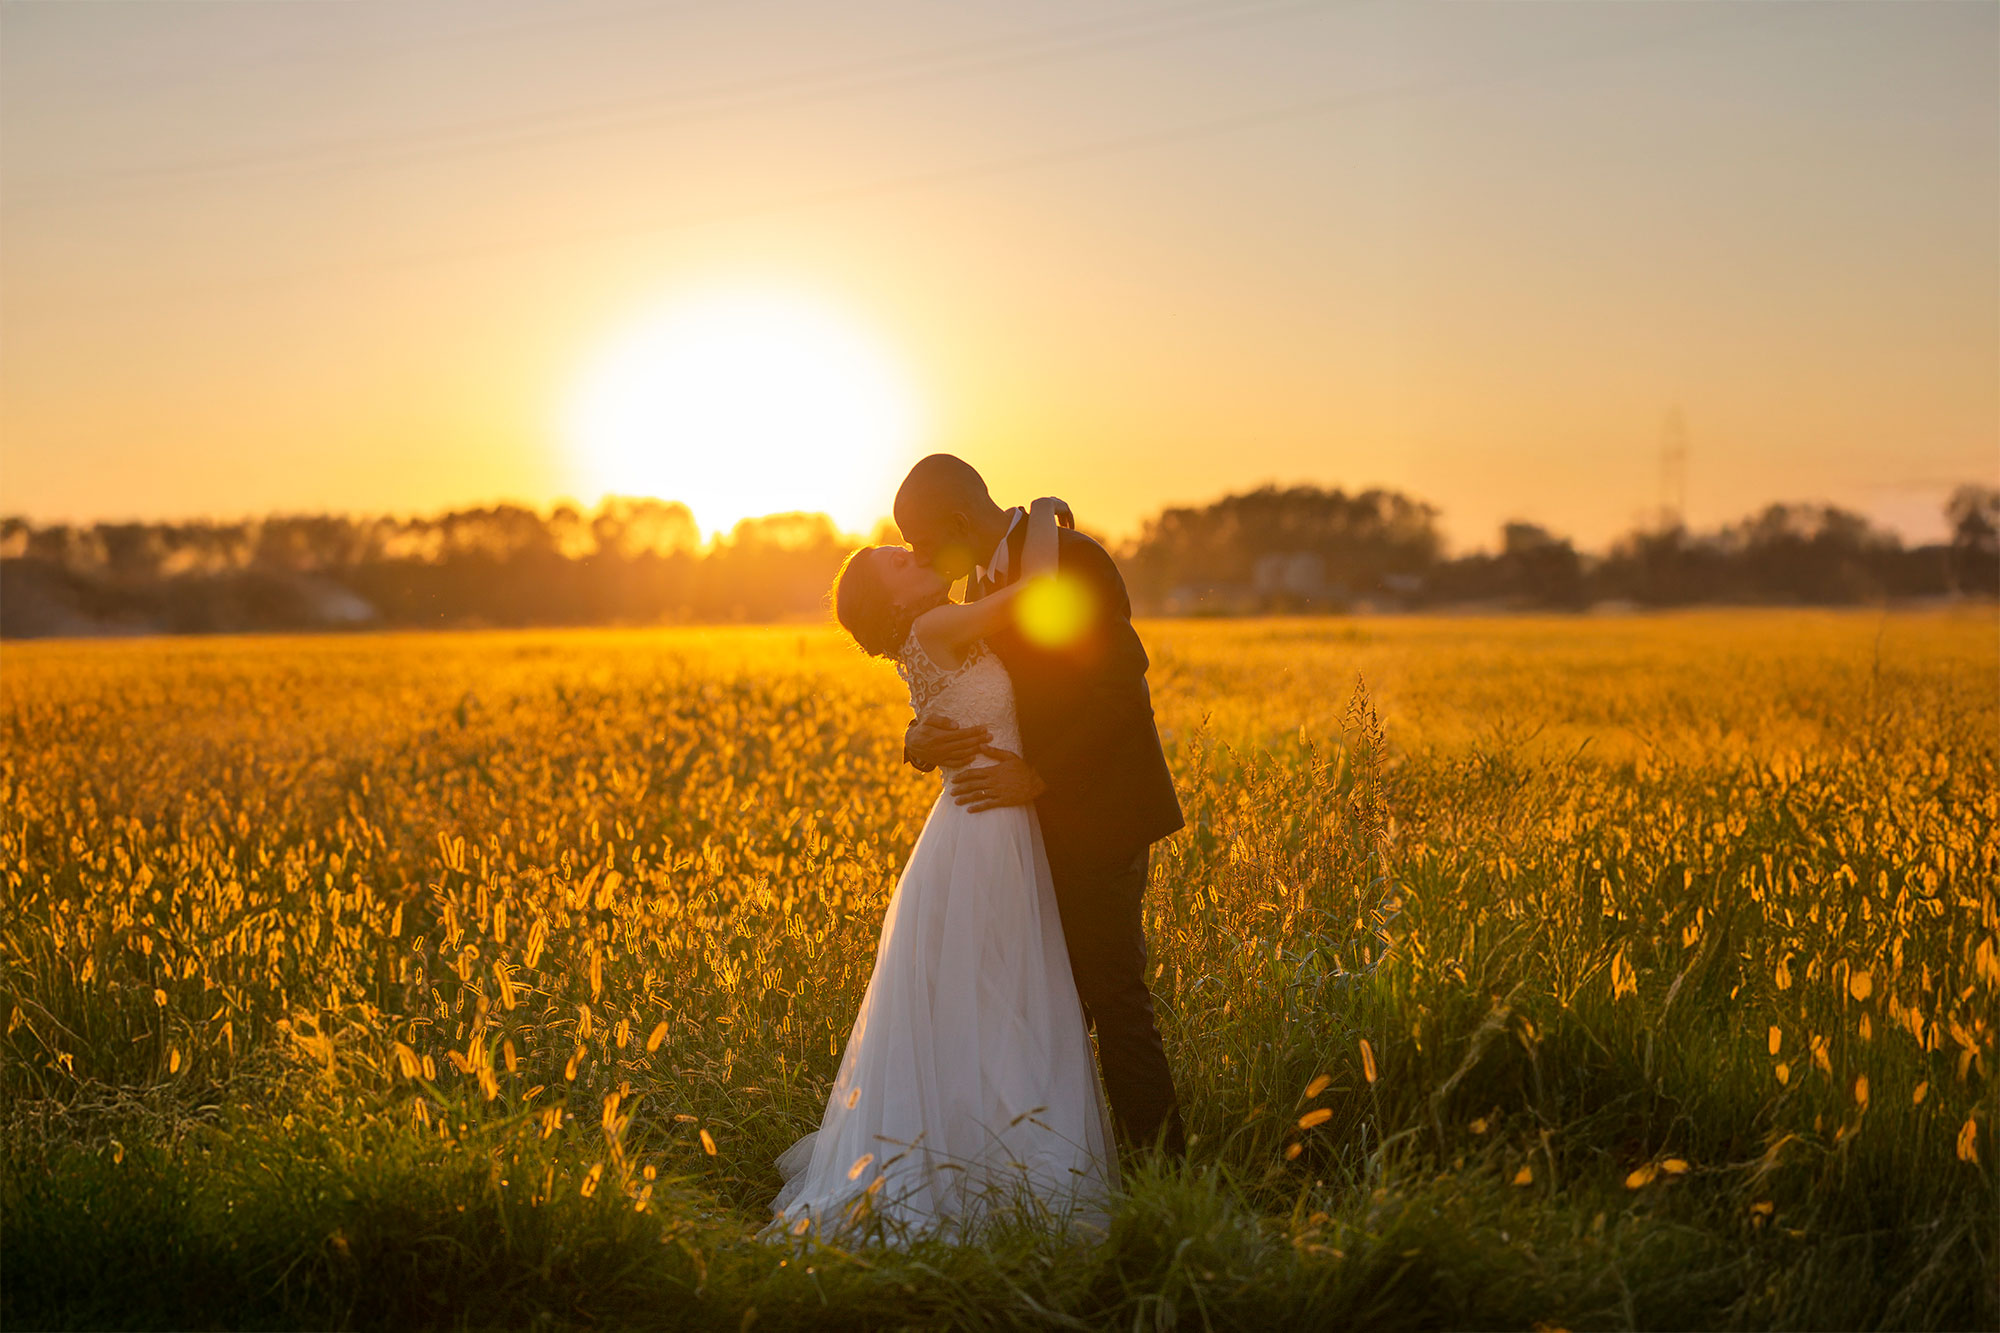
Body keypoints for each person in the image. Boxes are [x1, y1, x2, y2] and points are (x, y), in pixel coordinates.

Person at [768, 495, 1115, 1243]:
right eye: (894, 560)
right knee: (996, 991)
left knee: (990, 996)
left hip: (986, 820)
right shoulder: (934, 626)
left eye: (906, 545)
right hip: (985, 827)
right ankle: (997, 1165)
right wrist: (1046, 524)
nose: (908, 553)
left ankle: (993, 1151)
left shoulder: (932, 631)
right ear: (889, 600)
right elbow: (1040, 598)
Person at [893, 454, 1186, 1159]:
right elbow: (962, 687)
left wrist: (1040, 777)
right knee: (1042, 1007)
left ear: (960, 521)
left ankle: (1166, 1178)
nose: (920, 555)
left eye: (923, 539)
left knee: (1114, 1001)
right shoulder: (978, 580)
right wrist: (917, 737)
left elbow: (1121, 689)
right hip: (1019, 829)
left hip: (1099, 814)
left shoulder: (1074, 561)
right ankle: (1046, 1167)